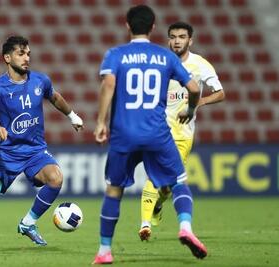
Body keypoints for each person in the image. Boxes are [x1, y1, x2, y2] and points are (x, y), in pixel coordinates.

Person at [92, 5, 207, 264]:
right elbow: (193, 88)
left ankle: (104, 251)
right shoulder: (166, 57)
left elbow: (108, 84)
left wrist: (101, 122)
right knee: (178, 183)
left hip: (124, 135)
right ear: (153, 27)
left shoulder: (116, 54)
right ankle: (185, 227)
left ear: (127, 25)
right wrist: (190, 108)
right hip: (158, 133)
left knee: (114, 190)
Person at [0, 35, 83, 251]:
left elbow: (54, 97)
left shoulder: (40, 81)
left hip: (35, 151)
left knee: (56, 178)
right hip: (7, 156)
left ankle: (28, 223)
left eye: (28, 54)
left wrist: (72, 116)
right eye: (21, 53)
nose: (27, 58)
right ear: (7, 58)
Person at [139, 21, 225, 241]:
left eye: (182, 37)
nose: (177, 40)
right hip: (157, 130)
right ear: (168, 39)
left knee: (167, 186)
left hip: (183, 134)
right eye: (173, 36)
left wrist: (200, 102)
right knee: (153, 176)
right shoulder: (159, 63)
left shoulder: (200, 64)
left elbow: (220, 93)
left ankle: (158, 205)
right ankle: (145, 224)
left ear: (190, 40)